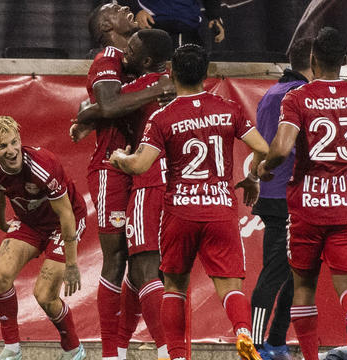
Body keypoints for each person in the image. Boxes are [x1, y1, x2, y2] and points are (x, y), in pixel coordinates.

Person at [109, 43, 268, 360]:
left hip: (180, 212)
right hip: (220, 209)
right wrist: (253, 179)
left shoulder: (163, 117)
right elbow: (263, 148)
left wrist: (120, 159)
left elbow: (140, 165)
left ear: (170, 74)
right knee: (230, 286)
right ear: (206, 74)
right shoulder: (228, 109)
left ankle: (178, 356)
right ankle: (242, 332)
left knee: (175, 287)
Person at [257, 27, 347, 360]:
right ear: (345, 61)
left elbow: (283, 146)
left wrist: (264, 167)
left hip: (307, 207)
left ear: (312, 59)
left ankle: (309, 357)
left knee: (303, 288)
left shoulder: (297, 98)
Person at [71, 4, 175, 360]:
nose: (125, 7)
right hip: (110, 169)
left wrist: (87, 113)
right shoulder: (108, 58)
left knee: (141, 259)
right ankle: (110, 351)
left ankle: (128, 344)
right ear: (105, 25)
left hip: (140, 170)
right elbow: (112, 104)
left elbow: (105, 106)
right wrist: (159, 89)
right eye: (114, 8)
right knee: (116, 259)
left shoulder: (134, 59)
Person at [0, 116, 87, 360]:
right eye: (3, 146)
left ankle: (73, 349)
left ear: (20, 140)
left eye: (14, 142)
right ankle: (12, 349)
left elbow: (67, 214)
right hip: (30, 222)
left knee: (45, 295)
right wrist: (1, 222)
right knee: (0, 276)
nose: (11, 151)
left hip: (62, 224)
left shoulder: (42, 165)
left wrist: (71, 264)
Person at [250, 37, 313, 360]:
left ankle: (274, 341)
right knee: (277, 271)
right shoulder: (297, 94)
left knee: (294, 271)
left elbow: (262, 145)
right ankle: (256, 344)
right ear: (315, 59)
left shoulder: (273, 92)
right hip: (285, 195)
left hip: (280, 193)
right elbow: (279, 147)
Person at [120, 0, 225, 47]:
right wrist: (135, 10)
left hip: (190, 26)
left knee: (191, 80)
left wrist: (214, 15)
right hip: (152, 26)